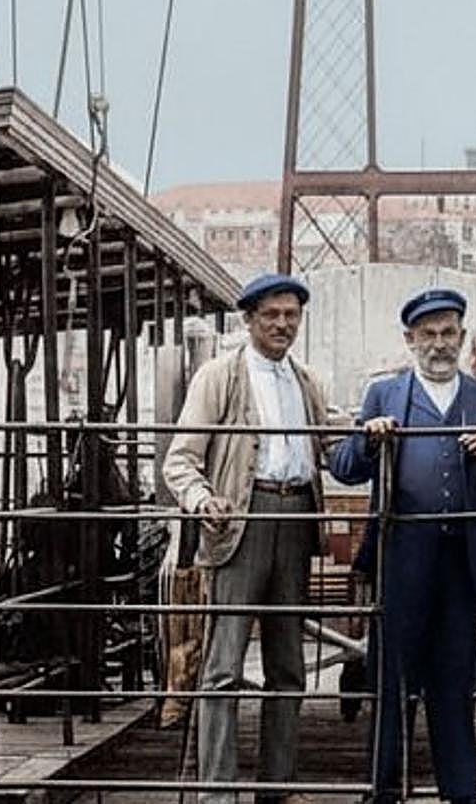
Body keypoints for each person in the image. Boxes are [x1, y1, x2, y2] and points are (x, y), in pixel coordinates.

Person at [330, 288, 476, 804]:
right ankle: (383, 790)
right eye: (429, 335)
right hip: (402, 558)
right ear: (410, 341)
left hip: (464, 563)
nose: (439, 344)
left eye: (448, 333)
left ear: (462, 338)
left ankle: (462, 792)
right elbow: (345, 466)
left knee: (454, 682)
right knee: (392, 679)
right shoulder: (385, 396)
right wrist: (369, 439)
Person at [163, 273, 332, 804]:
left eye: (291, 316)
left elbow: (329, 450)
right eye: (272, 316)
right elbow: (180, 460)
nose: (283, 325)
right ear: (249, 320)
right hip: (241, 521)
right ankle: (218, 791)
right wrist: (202, 500)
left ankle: (278, 786)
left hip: (298, 517)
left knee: (289, 664)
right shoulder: (220, 377)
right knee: (223, 666)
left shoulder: (307, 382)